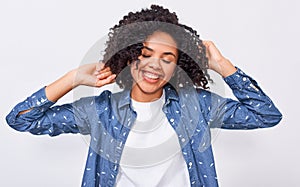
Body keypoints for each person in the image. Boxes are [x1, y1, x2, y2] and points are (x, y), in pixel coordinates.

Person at [6, 4, 282, 187]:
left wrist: (223, 66)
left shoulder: (197, 104)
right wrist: (73, 78)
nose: (153, 65)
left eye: (167, 57)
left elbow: (266, 115)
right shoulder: (101, 111)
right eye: (145, 54)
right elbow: (22, 120)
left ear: (178, 65)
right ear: (127, 57)